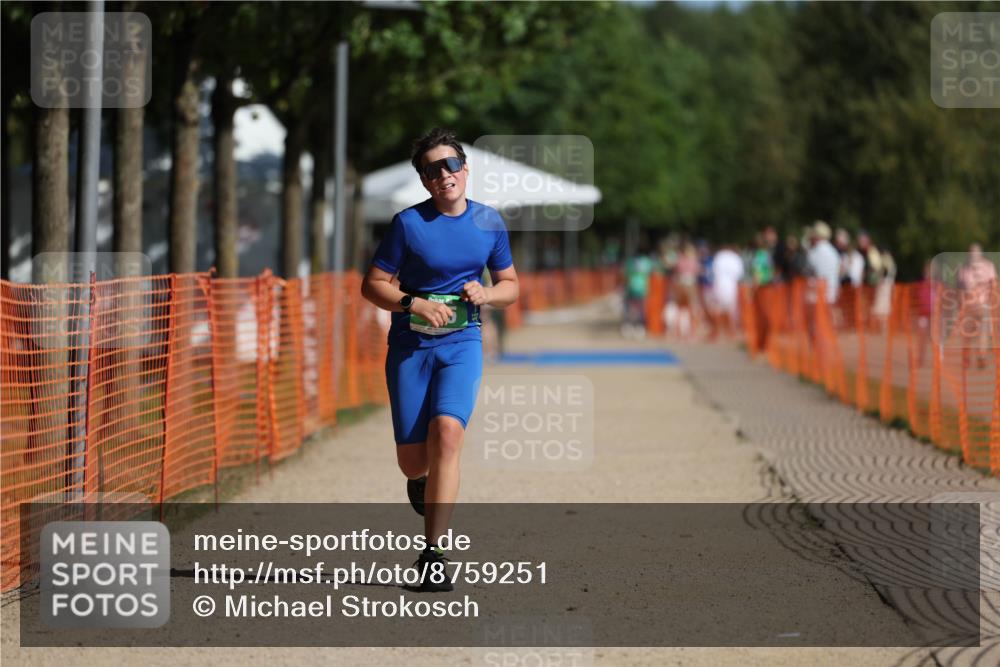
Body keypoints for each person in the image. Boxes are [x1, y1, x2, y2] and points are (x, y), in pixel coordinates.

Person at [361, 128, 519, 591]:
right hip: (411, 347)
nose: (444, 175)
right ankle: (422, 480)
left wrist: (487, 292)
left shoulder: (489, 223)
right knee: (413, 463)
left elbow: (511, 286)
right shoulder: (408, 225)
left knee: (448, 433)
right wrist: (413, 303)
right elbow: (373, 285)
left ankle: (434, 554)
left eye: (451, 165)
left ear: (465, 170)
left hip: (462, 344)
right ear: (425, 181)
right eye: (432, 169)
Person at [957, 243, 997, 368]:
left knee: (981, 333)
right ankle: (970, 357)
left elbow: (994, 285)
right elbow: (960, 289)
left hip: (981, 305)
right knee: (970, 333)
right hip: (971, 305)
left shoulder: (988, 266)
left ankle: (979, 357)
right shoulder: (965, 269)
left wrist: (992, 301)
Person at [622, 238, 656, 339]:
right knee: (641, 309)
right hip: (642, 289)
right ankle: (639, 328)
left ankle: (629, 327)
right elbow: (653, 272)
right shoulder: (647, 262)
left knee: (630, 309)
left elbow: (626, 275)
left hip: (631, 288)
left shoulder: (630, 262)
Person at [709, 243, 744, 339]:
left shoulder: (719, 256)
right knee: (731, 309)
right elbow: (739, 273)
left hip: (719, 284)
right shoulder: (735, 257)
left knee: (717, 308)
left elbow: (714, 270)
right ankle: (731, 332)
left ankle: (715, 331)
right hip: (731, 286)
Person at [807, 221, 840, 304]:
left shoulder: (815, 251)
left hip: (818, 296)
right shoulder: (834, 251)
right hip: (832, 294)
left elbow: (808, 270)